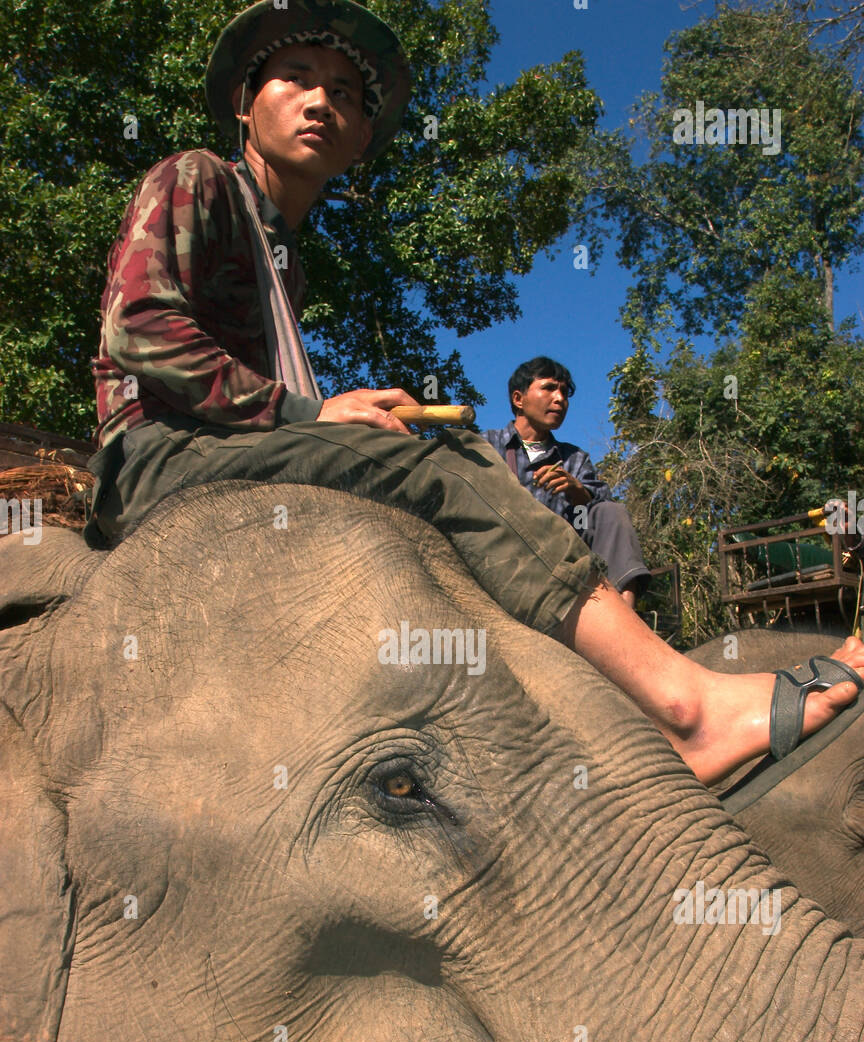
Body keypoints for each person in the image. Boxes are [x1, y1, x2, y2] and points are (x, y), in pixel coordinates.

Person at [83, 0, 864, 787]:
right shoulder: (197, 178)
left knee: (439, 452)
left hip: (230, 448)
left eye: (346, 94)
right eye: (297, 78)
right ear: (247, 107)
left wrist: (339, 418)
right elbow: (139, 329)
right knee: (449, 467)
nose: (322, 101)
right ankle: (688, 708)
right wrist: (312, 413)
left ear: (358, 139)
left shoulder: (288, 259)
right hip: (159, 457)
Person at [483, 358, 650, 609]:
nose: (560, 399)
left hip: (559, 562)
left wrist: (577, 491)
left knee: (611, 512)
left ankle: (625, 617)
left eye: (564, 392)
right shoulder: (485, 445)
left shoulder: (575, 459)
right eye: (549, 388)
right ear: (519, 399)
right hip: (498, 555)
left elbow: (602, 516)